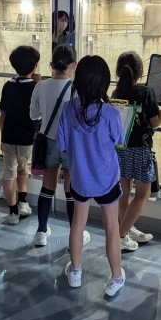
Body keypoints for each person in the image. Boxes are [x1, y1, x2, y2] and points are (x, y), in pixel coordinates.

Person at [57, 55, 125, 296]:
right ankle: (116, 277)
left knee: (78, 223)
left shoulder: (67, 109)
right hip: (107, 180)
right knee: (111, 228)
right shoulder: (111, 113)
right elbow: (119, 141)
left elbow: (62, 145)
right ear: (104, 83)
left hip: (80, 179)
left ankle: (75, 271)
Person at [112, 51, 161, 251]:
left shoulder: (116, 93)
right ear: (141, 72)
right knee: (143, 193)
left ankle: (126, 230)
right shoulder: (146, 92)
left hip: (121, 148)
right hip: (140, 149)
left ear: (118, 71)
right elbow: (155, 122)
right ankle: (121, 235)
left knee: (123, 192)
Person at [30, 44, 90, 247]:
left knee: (47, 186)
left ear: (51, 65)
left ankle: (41, 232)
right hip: (71, 144)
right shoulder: (77, 89)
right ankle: (76, 233)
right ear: (74, 65)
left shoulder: (41, 85)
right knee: (71, 188)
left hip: (49, 141)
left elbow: (33, 115)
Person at [0, 45, 41, 224]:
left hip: (8, 135)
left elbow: (3, 114)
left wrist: (2, 136)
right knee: (23, 169)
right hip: (27, 137)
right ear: (34, 67)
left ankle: (12, 212)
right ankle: (23, 202)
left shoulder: (8, 86)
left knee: (8, 173)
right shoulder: (35, 87)